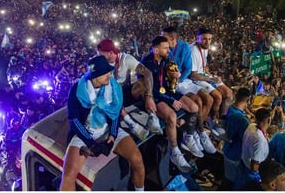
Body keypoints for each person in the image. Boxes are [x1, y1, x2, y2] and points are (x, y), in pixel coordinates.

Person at [60, 56, 145, 191]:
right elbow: (74, 120)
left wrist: (112, 133)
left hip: (107, 129)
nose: (109, 75)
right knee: (68, 176)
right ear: (95, 76)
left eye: (109, 72)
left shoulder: (113, 86)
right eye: (105, 73)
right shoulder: (77, 89)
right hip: (86, 132)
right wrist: (91, 143)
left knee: (138, 159)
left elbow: (116, 112)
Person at [141, 36, 202, 173]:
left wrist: (177, 75)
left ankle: (189, 137)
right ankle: (175, 151)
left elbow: (170, 78)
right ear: (156, 50)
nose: (169, 50)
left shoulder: (166, 60)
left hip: (168, 93)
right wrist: (171, 101)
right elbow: (152, 90)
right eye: (166, 48)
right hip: (156, 96)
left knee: (194, 107)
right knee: (172, 116)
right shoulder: (146, 64)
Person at [161, 26, 216, 154]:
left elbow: (188, 68)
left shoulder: (184, 47)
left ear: (172, 38)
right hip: (173, 85)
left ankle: (197, 130)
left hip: (184, 80)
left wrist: (180, 79)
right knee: (198, 101)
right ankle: (197, 133)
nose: (162, 40)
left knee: (208, 99)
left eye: (165, 38)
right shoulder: (163, 49)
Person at [97, 39, 159, 141]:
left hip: (124, 91)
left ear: (111, 53)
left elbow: (147, 73)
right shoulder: (100, 62)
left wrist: (149, 96)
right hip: (110, 96)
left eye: (102, 55)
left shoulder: (125, 59)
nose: (100, 57)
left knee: (143, 83)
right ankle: (133, 125)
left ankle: (153, 117)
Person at [189, 27, 233, 119]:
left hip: (203, 75)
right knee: (218, 97)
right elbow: (193, 75)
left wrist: (212, 76)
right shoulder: (193, 51)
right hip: (195, 78)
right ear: (197, 38)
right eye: (204, 39)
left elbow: (203, 67)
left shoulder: (205, 47)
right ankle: (211, 120)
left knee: (228, 92)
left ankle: (222, 119)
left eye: (209, 39)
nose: (207, 42)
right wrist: (211, 79)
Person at [234, 108, 272, 190]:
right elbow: (254, 166)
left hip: (243, 165)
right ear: (269, 120)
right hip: (251, 174)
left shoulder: (251, 126)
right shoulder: (259, 140)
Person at [222, 87, 251, 188]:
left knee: (227, 178)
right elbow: (246, 140)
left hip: (226, 150)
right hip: (236, 156)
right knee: (233, 183)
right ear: (248, 99)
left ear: (236, 95)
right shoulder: (242, 120)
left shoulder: (229, 108)